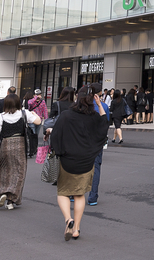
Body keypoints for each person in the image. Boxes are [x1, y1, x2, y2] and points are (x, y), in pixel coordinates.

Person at [50, 86, 109, 241]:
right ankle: (76, 229)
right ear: (92, 100)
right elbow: (104, 127)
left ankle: (68, 220)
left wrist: (58, 150)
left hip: (68, 160)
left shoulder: (66, 116)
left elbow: (55, 136)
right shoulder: (94, 117)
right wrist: (100, 105)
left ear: (77, 98)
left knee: (63, 192)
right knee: (79, 195)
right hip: (86, 161)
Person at [0, 93, 42, 211]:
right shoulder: (24, 113)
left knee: (4, 169)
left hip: (6, 144)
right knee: (19, 171)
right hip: (20, 143)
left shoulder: (1, 116)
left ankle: (2, 192)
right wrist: (34, 114)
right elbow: (38, 122)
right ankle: (11, 199)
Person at [87, 82, 110, 206]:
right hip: (97, 142)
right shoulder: (103, 106)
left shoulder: (83, 105)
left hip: (83, 140)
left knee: (79, 167)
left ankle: (73, 193)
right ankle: (93, 197)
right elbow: (105, 123)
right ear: (99, 93)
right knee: (95, 168)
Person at [26, 88, 48, 158]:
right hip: (31, 120)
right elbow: (30, 103)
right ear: (34, 95)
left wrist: (46, 120)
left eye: (39, 94)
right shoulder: (31, 101)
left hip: (39, 120)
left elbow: (45, 111)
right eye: (37, 94)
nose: (38, 96)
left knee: (36, 135)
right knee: (32, 134)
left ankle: (34, 148)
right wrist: (35, 98)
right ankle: (31, 149)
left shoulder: (42, 102)